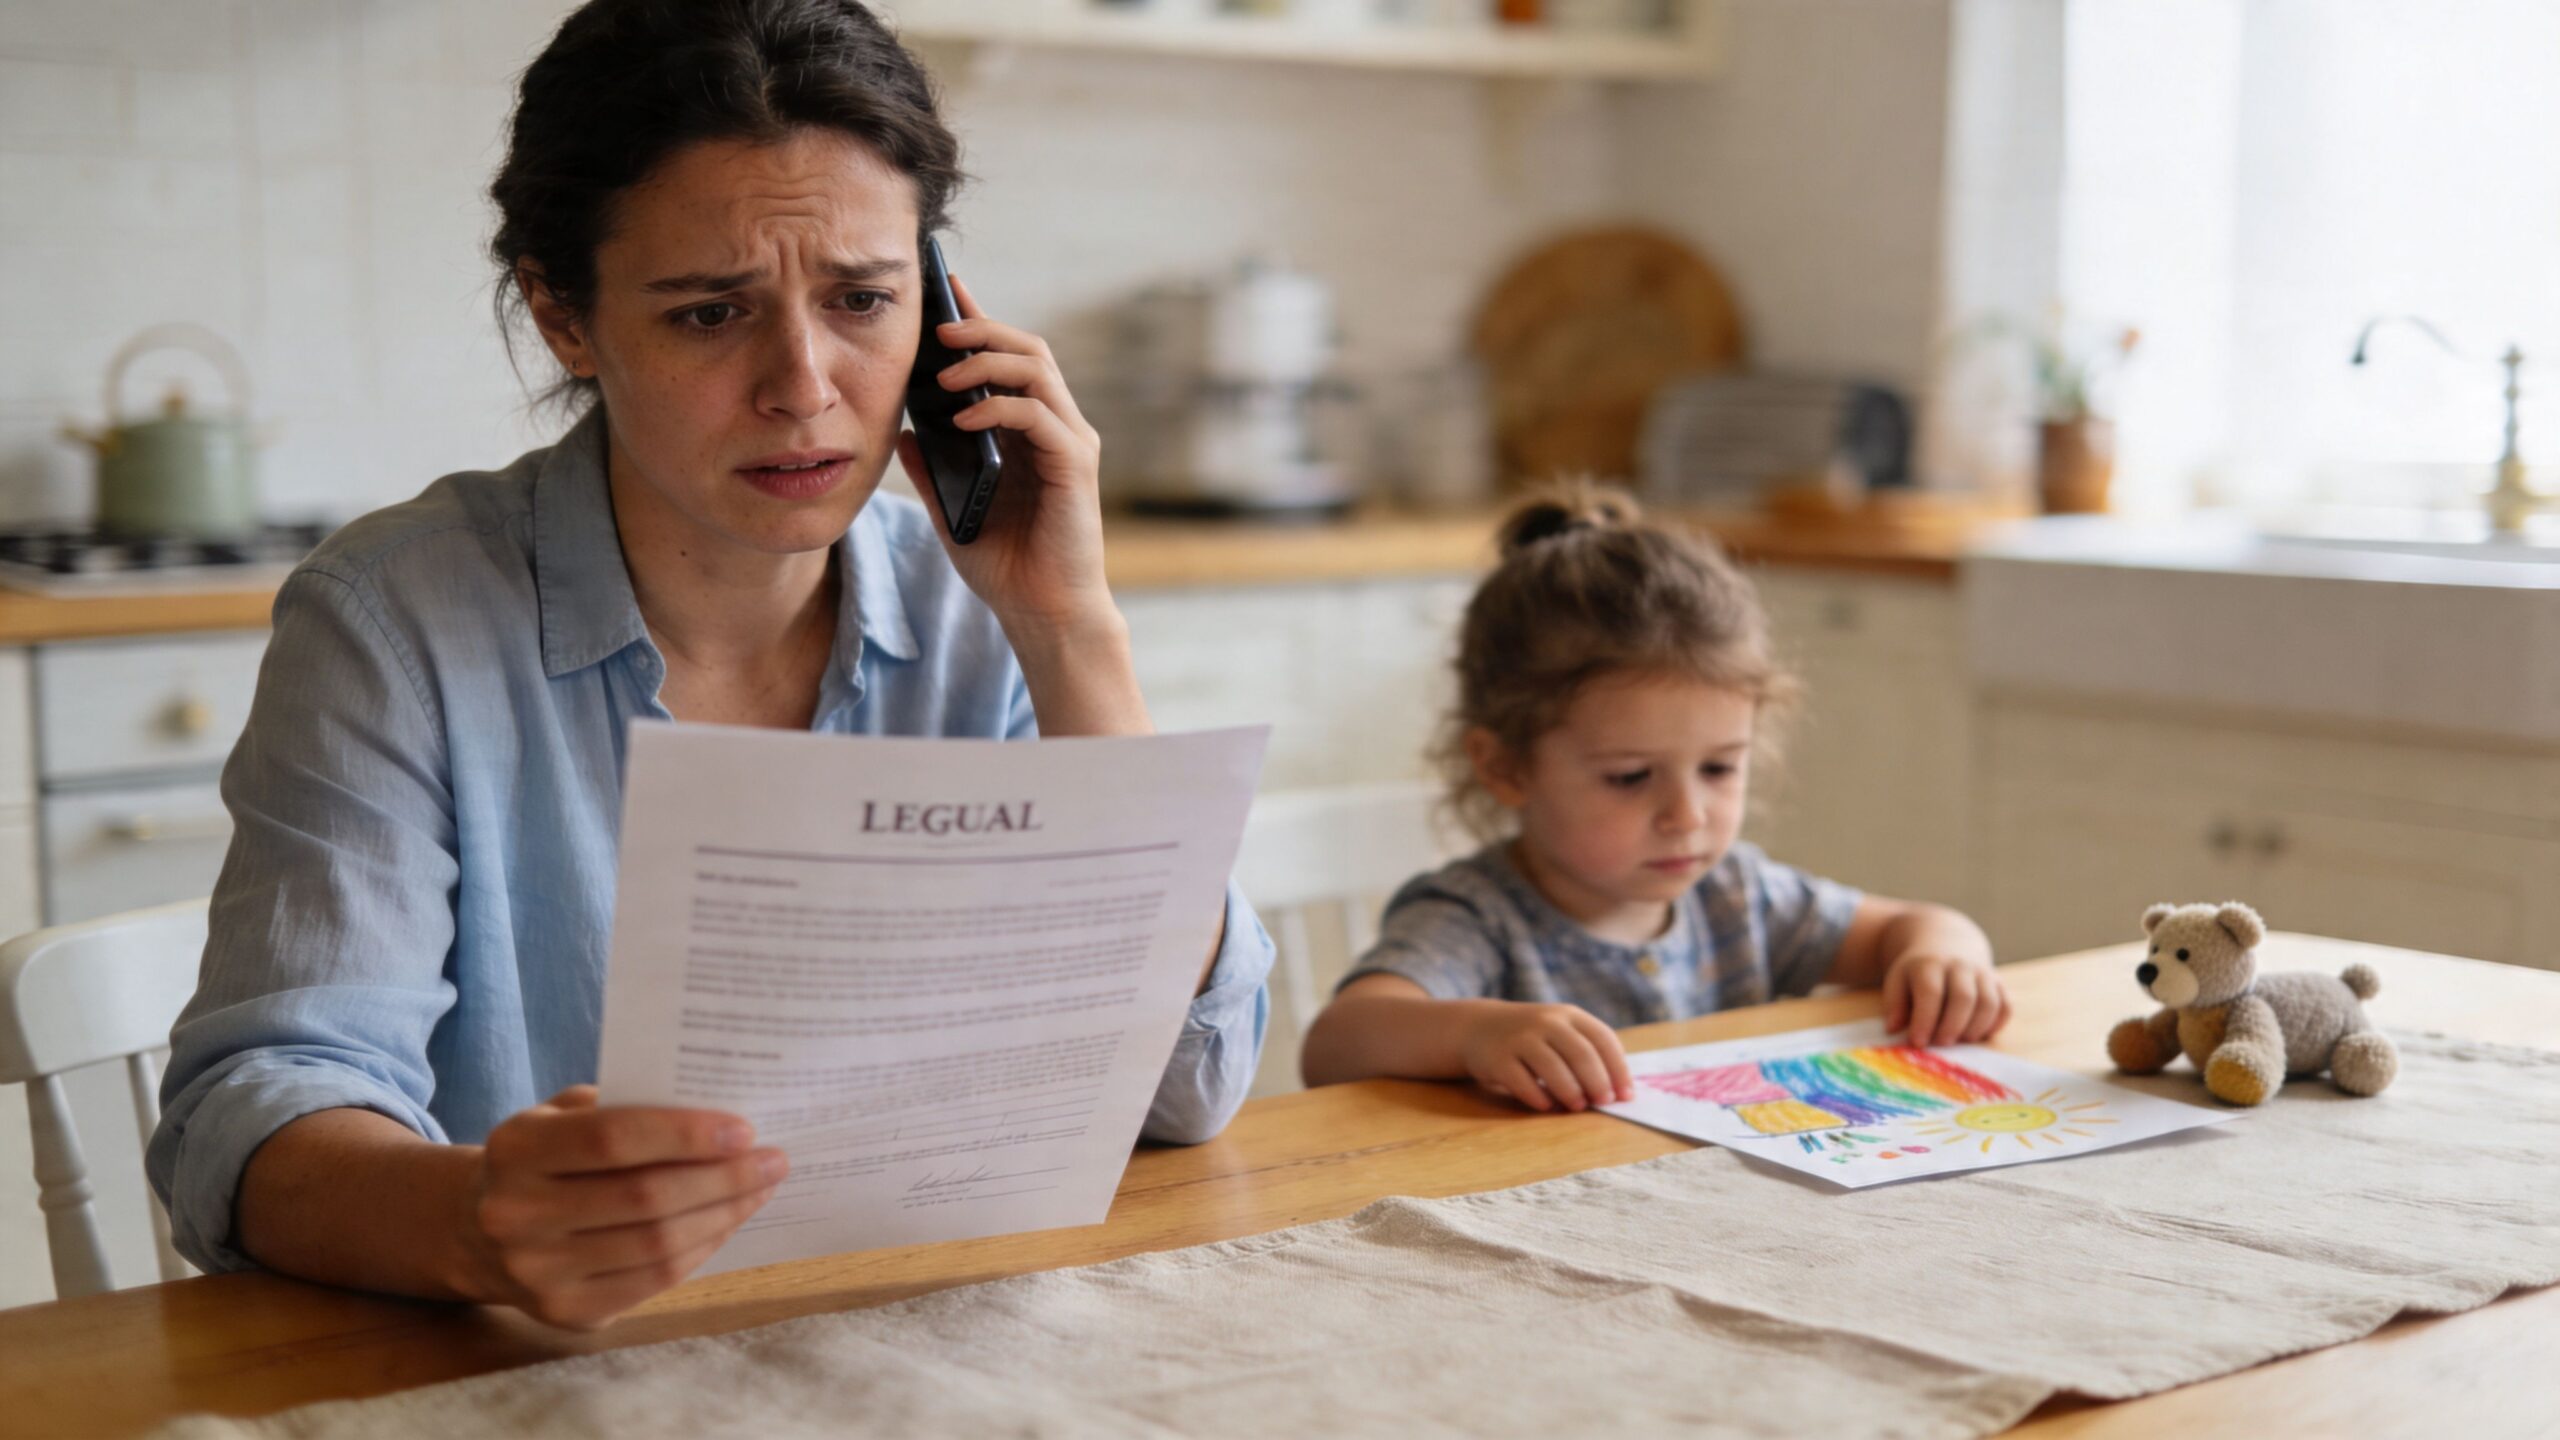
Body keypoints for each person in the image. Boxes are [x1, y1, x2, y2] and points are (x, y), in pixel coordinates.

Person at [148, 0, 1273, 1331]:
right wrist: (472, 1222)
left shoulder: (988, 607)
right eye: (707, 314)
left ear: (944, 309)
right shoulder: (394, 620)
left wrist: (1072, 632)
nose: (803, 385)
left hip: (914, 1344)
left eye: (864, 300)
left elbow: (1185, 1087)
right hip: (538, 1372)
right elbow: (257, 1109)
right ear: (565, 316)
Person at [1299, 485, 2007, 1108]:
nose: (1687, 816)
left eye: (1720, 769)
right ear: (1506, 766)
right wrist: (1476, 1033)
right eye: (1631, 777)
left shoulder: (1738, 896)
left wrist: (1945, 957)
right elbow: (1337, 1043)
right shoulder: (1476, 918)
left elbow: (1910, 927)